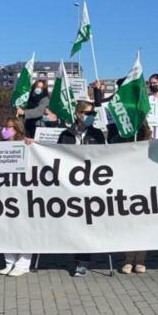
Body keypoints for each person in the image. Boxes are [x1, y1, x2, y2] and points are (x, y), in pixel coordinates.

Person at [58, 101, 107, 277]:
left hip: (92, 184)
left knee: (86, 223)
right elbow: (56, 156)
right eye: (87, 113)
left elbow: (105, 156)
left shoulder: (97, 134)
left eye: (93, 113)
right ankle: (73, 254)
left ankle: (82, 262)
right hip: (70, 186)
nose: (91, 116)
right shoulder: (65, 134)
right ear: (78, 114)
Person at [114, 120, 153, 274]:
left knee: (142, 226)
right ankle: (128, 260)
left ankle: (140, 260)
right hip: (126, 189)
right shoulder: (119, 141)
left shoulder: (151, 144)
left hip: (145, 190)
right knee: (128, 226)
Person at [0, 117, 33, 277]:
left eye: (10, 127)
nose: (6, 130)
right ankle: (9, 262)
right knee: (5, 229)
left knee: (24, 229)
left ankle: (23, 263)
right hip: (4, 194)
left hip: (23, 194)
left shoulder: (26, 145)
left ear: (18, 130)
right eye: (4, 126)